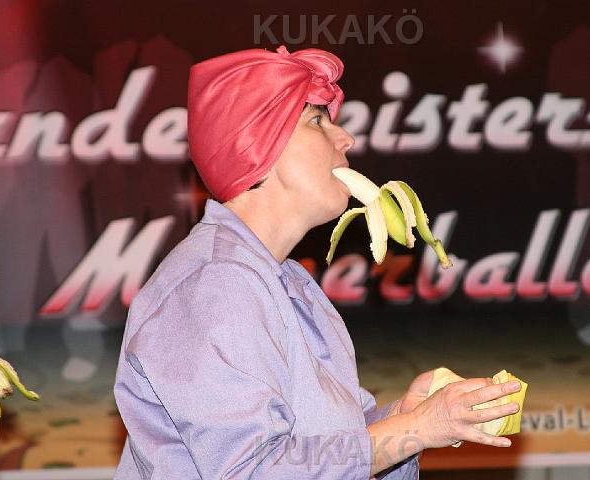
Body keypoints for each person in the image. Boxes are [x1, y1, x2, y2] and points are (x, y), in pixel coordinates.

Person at [113, 45, 521, 479]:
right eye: (316, 121)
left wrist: (404, 416)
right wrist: (415, 428)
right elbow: (255, 471)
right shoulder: (216, 284)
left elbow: (327, 447)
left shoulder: (287, 280)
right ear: (258, 146)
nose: (345, 138)